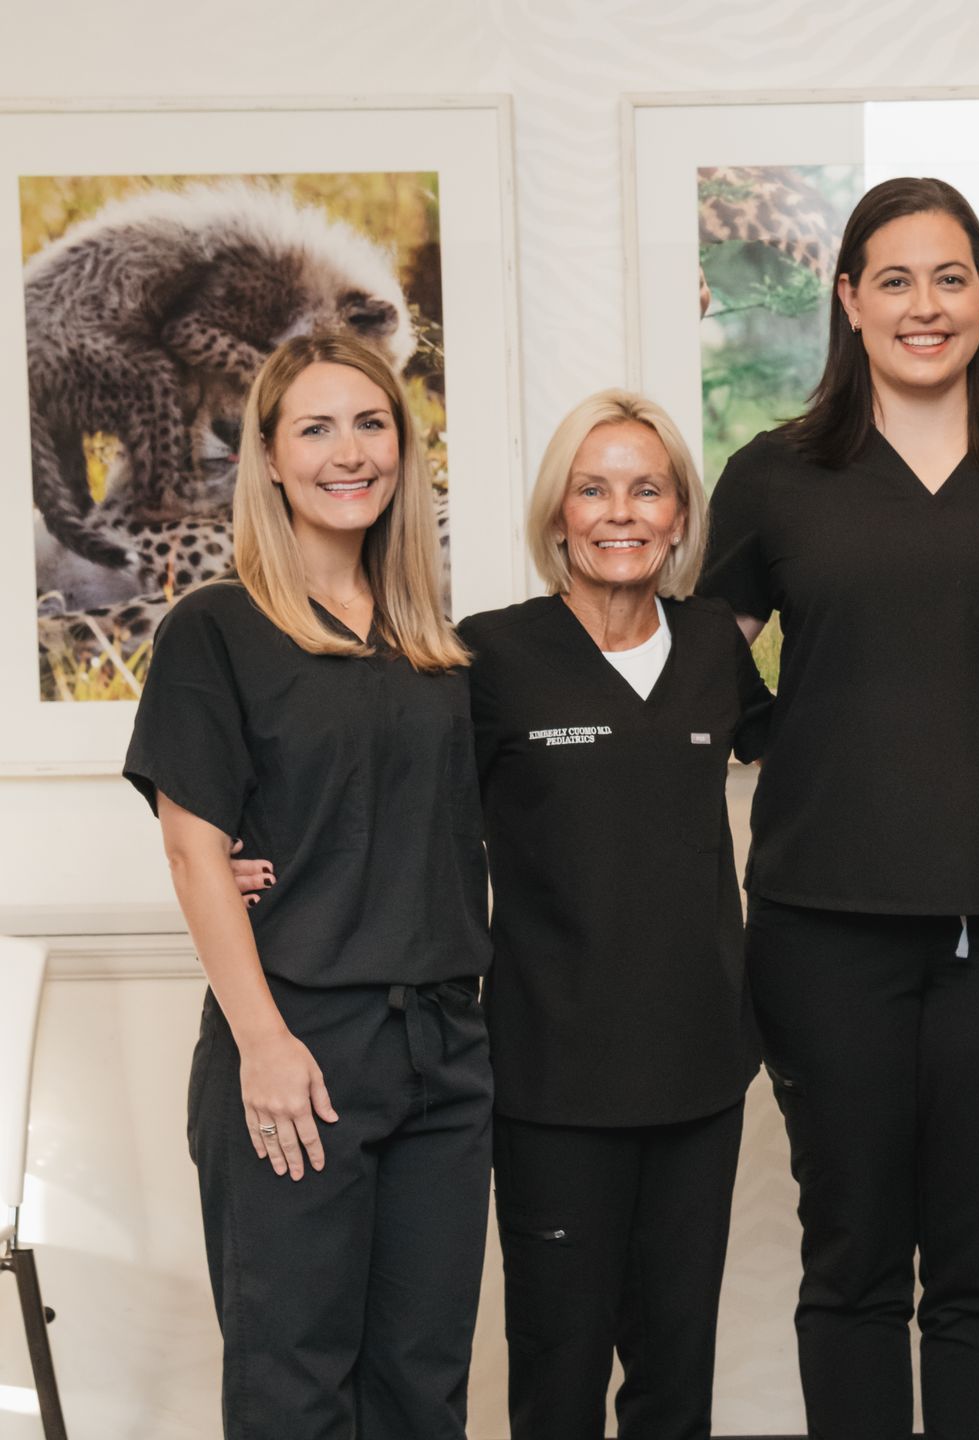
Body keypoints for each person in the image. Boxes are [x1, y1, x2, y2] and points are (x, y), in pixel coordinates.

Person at [230, 390, 774, 1439]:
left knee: (676, 1373)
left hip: (700, 1070)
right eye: (593, 488)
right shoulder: (490, 657)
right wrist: (259, 853)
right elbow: (385, 783)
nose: (621, 513)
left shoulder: (713, 648)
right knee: (558, 1373)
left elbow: (824, 764)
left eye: (647, 489)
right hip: (548, 1076)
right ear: (558, 515)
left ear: (677, 517)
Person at [699, 176, 979, 1440]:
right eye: (897, 280)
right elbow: (697, 676)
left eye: (953, 277)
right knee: (853, 1263)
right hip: (823, 924)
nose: (927, 306)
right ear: (849, 299)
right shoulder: (775, 476)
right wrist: (786, 734)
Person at [124, 331, 493, 1440]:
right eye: (316, 428)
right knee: (297, 1391)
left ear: (403, 448)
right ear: (270, 460)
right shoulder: (216, 631)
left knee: (422, 1387)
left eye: (371, 424)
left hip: (444, 1050)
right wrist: (265, 1044)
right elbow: (195, 852)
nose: (349, 452)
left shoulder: (434, 648)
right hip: (301, 1045)